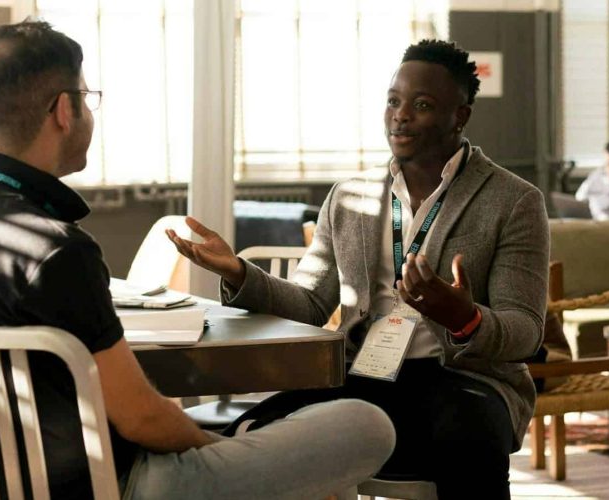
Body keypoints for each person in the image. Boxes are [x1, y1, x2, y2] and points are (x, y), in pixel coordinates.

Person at [0, 21, 395, 500]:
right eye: (86, 97)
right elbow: (141, 417)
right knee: (367, 424)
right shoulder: (59, 249)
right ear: (62, 110)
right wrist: (221, 453)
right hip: (118, 487)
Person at [168, 39, 549, 499]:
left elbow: (526, 330)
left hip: (464, 379)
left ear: (460, 116)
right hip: (363, 374)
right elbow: (309, 304)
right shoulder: (349, 196)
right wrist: (239, 273)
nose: (400, 115)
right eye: (393, 101)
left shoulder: (513, 201)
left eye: (421, 104)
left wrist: (464, 318)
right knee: (258, 428)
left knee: (468, 438)